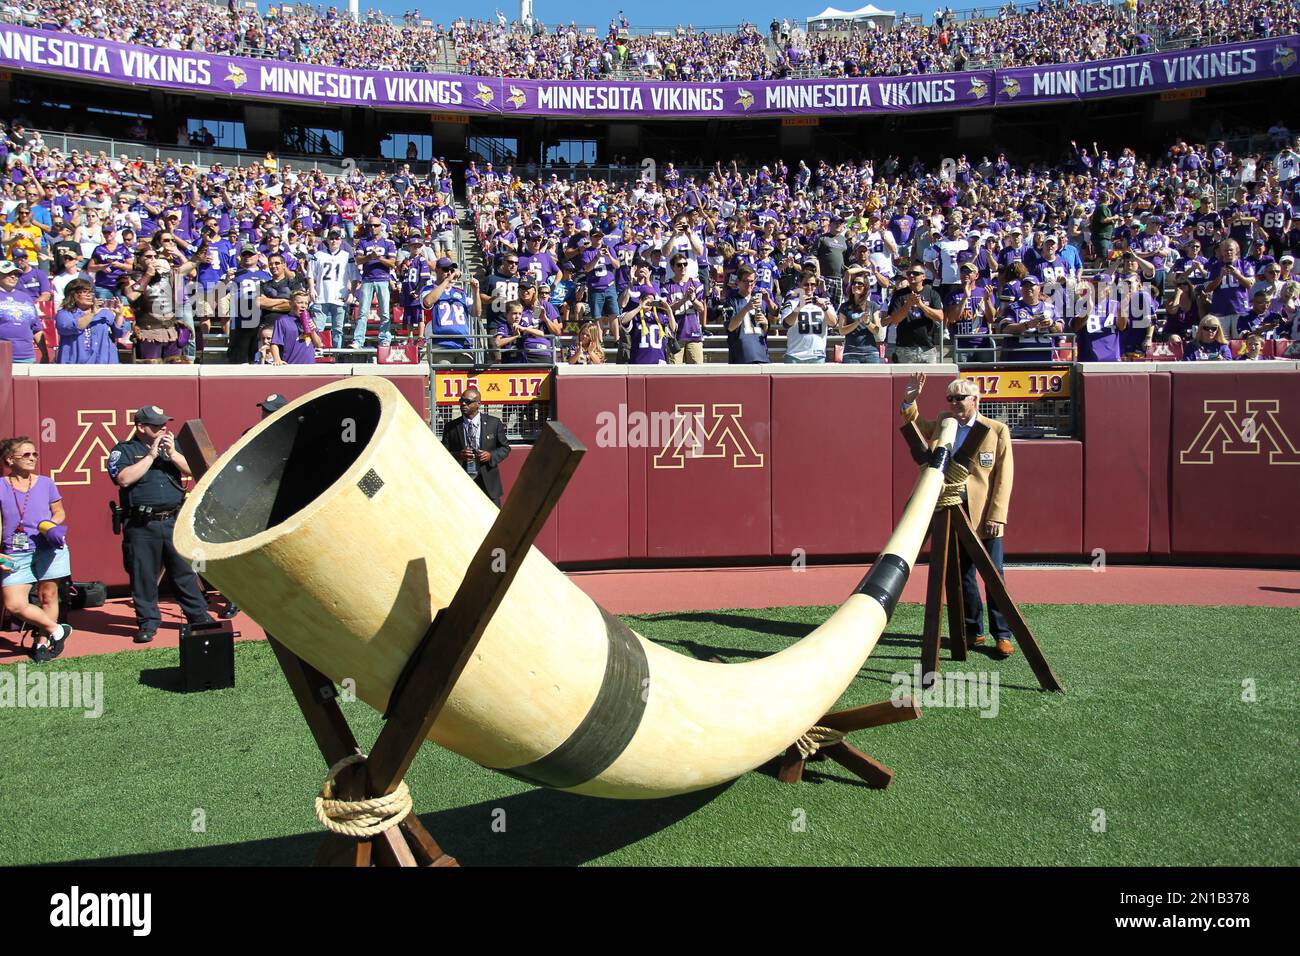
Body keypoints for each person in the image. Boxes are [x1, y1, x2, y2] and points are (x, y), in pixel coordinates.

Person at [901, 374, 1015, 659]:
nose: (953, 403)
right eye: (950, 398)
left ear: (975, 400)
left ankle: (1003, 635)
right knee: (962, 573)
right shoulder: (943, 421)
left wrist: (997, 515)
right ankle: (973, 630)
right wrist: (910, 400)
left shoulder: (995, 429)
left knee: (994, 574)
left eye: (959, 398)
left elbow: (1004, 478)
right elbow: (916, 427)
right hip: (952, 508)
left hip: (983, 514)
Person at [107, 406, 213, 643]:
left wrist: (172, 454)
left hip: (173, 520)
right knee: (143, 576)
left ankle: (198, 616)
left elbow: (196, 472)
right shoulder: (124, 450)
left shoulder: (173, 446)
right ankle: (148, 623)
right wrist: (151, 456)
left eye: (164, 423)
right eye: (156, 425)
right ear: (141, 428)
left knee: (185, 573)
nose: (163, 428)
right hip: (142, 524)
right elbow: (123, 479)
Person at [1, 436, 73, 662]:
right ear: (10, 459)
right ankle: (57, 630)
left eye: (35, 454)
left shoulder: (46, 483)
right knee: (14, 603)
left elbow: (59, 512)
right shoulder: (1, 486)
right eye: (26, 455)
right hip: (14, 552)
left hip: (48, 548)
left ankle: (42, 643)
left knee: (48, 596)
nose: (32, 458)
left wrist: (51, 526)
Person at [441, 388, 511, 507]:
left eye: (467, 401)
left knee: (493, 519)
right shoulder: (451, 427)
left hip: (488, 482)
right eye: (461, 401)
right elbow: (441, 453)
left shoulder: (494, 423)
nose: (463, 404)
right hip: (462, 482)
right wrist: (459, 455)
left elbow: (505, 448)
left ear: (478, 404)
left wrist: (491, 456)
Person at [55, 279, 123, 364]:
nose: (89, 295)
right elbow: (75, 327)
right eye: (84, 292)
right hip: (75, 364)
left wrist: (119, 315)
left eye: (91, 292)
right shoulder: (64, 314)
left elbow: (118, 334)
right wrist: (92, 313)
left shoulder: (104, 313)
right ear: (73, 295)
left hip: (103, 362)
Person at [886, 265, 944, 363]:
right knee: (905, 378)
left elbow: (940, 317)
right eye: (909, 273)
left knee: (929, 377)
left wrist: (921, 305)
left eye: (916, 273)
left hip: (927, 347)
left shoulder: (932, 294)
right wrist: (908, 304)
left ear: (923, 277)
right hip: (905, 347)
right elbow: (895, 319)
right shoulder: (899, 294)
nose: (912, 275)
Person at [0, 260, 44, 363]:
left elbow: (36, 328)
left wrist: (44, 354)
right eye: (8, 273)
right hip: (2, 357)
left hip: (27, 356)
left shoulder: (26, 298)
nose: (13, 277)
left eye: (16, 274)